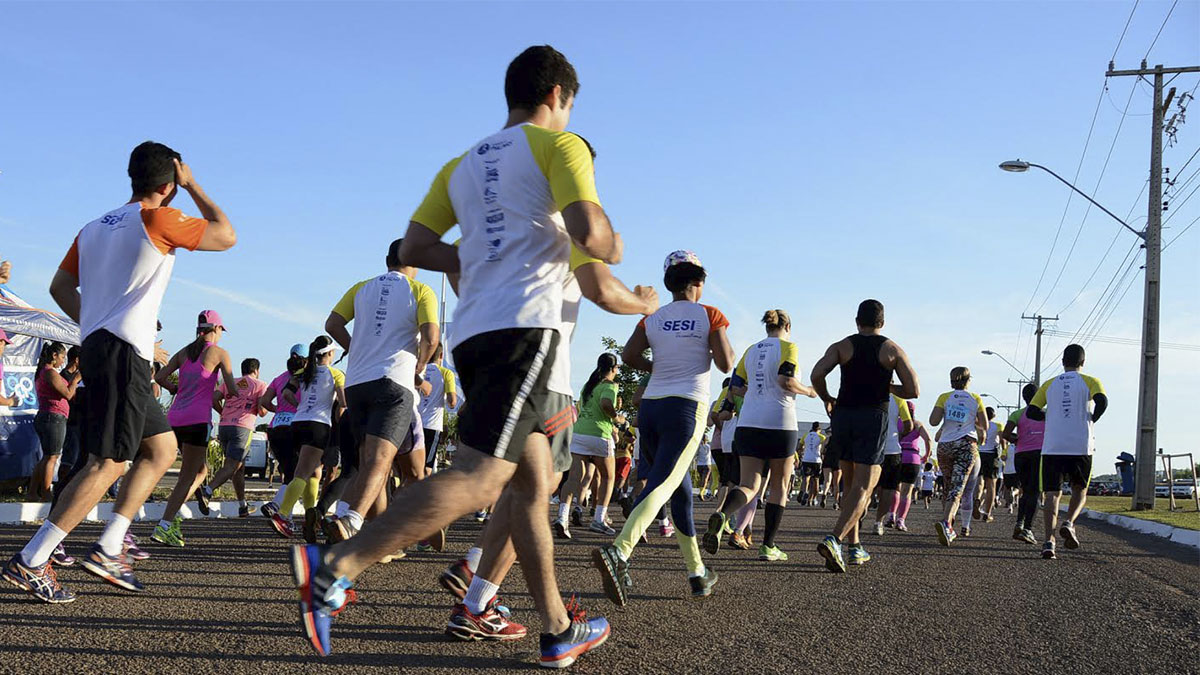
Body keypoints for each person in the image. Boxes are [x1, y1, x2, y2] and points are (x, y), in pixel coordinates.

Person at [289, 46, 620, 665]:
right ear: (559, 96)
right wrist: (612, 241)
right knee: (482, 475)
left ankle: (554, 630)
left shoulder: (460, 166)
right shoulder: (562, 146)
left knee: (531, 485)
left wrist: (469, 259)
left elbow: (418, 243)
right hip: (528, 330)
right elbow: (591, 234)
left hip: (475, 334)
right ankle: (334, 567)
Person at [4, 142, 235, 602]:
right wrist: (194, 186)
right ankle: (33, 558)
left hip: (101, 346)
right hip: (123, 353)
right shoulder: (159, 218)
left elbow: (59, 286)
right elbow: (226, 235)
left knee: (162, 447)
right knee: (107, 461)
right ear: (169, 184)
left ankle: (111, 543)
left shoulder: (92, 227)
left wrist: (95, 322)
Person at [441, 235, 657, 642]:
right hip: (545, 377)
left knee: (521, 487)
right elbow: (603, 290)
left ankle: (476, 584)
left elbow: (449, 260)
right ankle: (491, 600)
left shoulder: (492, 224)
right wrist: (645, 302)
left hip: (495, 370)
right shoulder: (560, 230)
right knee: (534, 491)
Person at [593, 250, 732, 604]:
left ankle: (697, 572)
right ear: (698, 282)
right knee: (662, 483)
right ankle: (619, 551)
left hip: (652, 408)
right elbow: (726, 362)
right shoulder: (710, 314)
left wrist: (658, 367)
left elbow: (627, 356)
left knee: (680, 489)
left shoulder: (652, 318)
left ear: (670, 284)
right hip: (687, 407)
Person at [321, 238, 437, 545]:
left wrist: (355, 348)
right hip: (394, 381)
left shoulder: (361, 287)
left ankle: (376, 536)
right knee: (382, 460)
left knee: (370, 461)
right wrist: (420, 365)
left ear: (387, 260)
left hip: (357, 383)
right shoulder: (421, 290)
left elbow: (332, 323)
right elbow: (431, 336)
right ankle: (351, 520)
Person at [810, 299, 919, 573]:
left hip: (844, 415)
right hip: (872, 417)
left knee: (850, 484)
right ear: (882, 322)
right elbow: (913, 389)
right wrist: (888, 385)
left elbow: (816, 373)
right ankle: (834, 539)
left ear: (857, 321)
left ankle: (855, 547)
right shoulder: (891, 349)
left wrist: (827, 398)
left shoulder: (842, 346)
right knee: (865, 486)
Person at [702, 309, 815, 561]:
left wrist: (755, 392)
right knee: (779, 486)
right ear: (788, 326)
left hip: (749, 423)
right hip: (780, 422)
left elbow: (735, 387)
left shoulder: (750, 351)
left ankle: (723, 515)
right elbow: (786, 381)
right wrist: (808, 391)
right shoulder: (789, 347)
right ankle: (768, 546)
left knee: (749, 485)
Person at [152, 311, 238, 547]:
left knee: (200, 471)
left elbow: (159, 376)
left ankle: (171, 516)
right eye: (221, 330)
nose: (221, 335)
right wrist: (239, 396)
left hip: (175, 419)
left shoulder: (185, 351)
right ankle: (165, 525)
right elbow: (230, 389)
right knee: (188, 476)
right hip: (197, 420)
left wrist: (174, 388)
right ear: (216, 329)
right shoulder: (220, 353)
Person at [1027, 344, 1107, 560]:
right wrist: (1092, 419)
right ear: (1083, 362)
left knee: (1052, 494)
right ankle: (1069, 522)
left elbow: (1032, 412)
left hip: (1053, 446)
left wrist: (1050, 417)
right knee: (1080, 490)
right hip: (1081, 444)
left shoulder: (1049, 384)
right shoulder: (1091, 381)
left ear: (1063, 362)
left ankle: (1048, 543)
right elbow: (1102, 401)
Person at [269, 335, 345, 539]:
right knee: (303, 473)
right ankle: (282, 515)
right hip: (319, 425)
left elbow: (285, 394)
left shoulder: (303, 372)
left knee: (314, 473)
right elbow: (343, 405)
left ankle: (311, 518)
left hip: (298, 423)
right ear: (329, 354)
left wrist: (300, 407)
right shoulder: (336, 374)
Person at [555, 353, 623, 538]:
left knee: (574, 478)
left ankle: (562, 517)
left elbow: (579, 408)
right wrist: (618, 418)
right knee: (608, 478)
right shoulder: (610, 385)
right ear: (614, 368)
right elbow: (606, 404)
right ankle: (599, 520)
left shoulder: (588, 385)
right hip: (599, 434)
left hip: (579, 433)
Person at [928, 366, 988, 546]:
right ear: (969, 380)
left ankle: (948, 520)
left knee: (947, 484)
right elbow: (984, 425)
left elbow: (933, 421)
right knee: (958, 486)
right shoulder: (975, 398)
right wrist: (971, 420)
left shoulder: (944, 397)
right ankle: (946, 523)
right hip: (966, 445)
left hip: (945, 445)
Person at [203, 358, 268, 517]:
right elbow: (262, 410)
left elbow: (213, 398)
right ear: (256, 370)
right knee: (232, 465)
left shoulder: (230, 382)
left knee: (238, 468)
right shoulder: (260, 385)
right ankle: (207, 491)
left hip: (224, 426)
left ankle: (242, 505)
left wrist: (223, 412)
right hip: (243, 427)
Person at [261, 345, 307, 516]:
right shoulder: (306, 378)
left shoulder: (279, 378)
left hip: (275, 428)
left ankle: (282, 510)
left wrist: (279, 409)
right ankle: (278, 507)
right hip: (296, 426)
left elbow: (265, 401)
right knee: (298, 473)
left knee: (290, 471)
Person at [30, 342, 79, 501]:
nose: (63, 360)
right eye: (62, 356)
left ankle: (32, 492)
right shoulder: (50, 373)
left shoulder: (45, 372)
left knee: (47, 457)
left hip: (48, 417)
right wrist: (76, 379)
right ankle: (46, 493)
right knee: (52, 458)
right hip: (53, 417)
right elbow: (68, 394)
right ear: (54, 356)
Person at [1003, 383, 1045, 545]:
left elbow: (1006, 434)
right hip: (1040, 454)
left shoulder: (1017, 414)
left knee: (1025, 491)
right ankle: (1028, 529)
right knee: (1035, 492)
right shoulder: (1046, 414)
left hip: (1021, 455)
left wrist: (1018, 439)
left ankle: (1019, 523)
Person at [871, 393, 914, 535]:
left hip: (870, 448)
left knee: (866, 485)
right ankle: (878, 523)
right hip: (892, 449)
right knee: (889, 489)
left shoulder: (867, 393)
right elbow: (908, 424)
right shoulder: (899, 399)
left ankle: (859, 513)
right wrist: (899, 435)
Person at [418, 344, 457, 476]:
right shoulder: (446, 373)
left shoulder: (417, 372)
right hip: (431, 426)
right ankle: (421, 496)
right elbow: (452, 402)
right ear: (441, 356)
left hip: (412, 423)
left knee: (408, 467)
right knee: (426, 468)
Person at [892, 400, 932, 531]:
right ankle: (901, 520)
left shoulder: (896, 423)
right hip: (913, 458)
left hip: (898, 456)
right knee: (907, 492)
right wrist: (926, 455)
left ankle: (891, 514)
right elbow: (928, 439)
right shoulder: (917, 424)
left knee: (895, 489)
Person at [976, 406, 1006, 523]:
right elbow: (1003, 441)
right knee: (991, 485)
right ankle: (987, 513)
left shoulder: (978, 425)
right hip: (991, 455)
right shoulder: (997, 425)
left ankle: (977, 499)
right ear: (993, 416)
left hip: (979, 454)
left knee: (979, 481)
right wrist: (1002, 447)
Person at [799, 422, 825, 506]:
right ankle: (813, 499)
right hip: (816, 460)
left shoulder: (805, 435)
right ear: (819, 429)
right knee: (816, 480)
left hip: (806, 459)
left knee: (806, 478)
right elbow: (824, 447)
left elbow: (800, 447)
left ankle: (805, 491)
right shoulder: (822, 437)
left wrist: (802, 451)